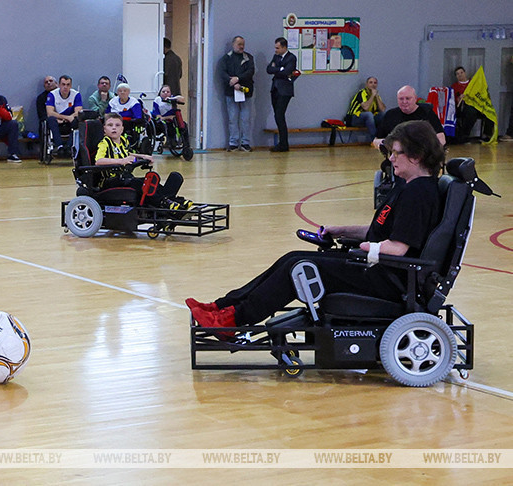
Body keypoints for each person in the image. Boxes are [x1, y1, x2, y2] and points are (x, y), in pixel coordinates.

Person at [187, 120, 443, 336]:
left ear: (416, 155)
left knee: (299, 268)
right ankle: (223, 307)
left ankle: (231, 321)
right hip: (380, 270)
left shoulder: (418, 194)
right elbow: (382, 232)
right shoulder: (408, 187)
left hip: (388, 279)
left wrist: (362, 249)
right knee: (293, 258)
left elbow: (396, 248)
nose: (391, 159)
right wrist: (340, 230)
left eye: (396, 153)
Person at [95, 113, 191, 211]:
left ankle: (172, 200)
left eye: (117, 125)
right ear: (104, 129)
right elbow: (98, 161)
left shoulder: (123, 141)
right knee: (138, 183)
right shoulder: (104, 143)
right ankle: (163, 202)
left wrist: (143, 156)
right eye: (110, 125)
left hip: (125, 178)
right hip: (111, 181)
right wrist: (122, 161)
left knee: (149, 182)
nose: (114, 128)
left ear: (122, 129)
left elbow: (127, 153)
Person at [373, 85, 445, 149]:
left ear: (415, 98)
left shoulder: (427, 113)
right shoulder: (390, 115)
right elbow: (375, 141)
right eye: (401, 99)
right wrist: (388, 143)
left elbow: (441, 138)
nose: (404, 102)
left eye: (408, 98)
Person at [221, 36, 255, 152]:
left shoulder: (248, 58)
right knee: (233, 118)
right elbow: (223, 73)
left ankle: (245, 143)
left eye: (243, 44)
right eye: (239, 44)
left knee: (245, 118)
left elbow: (250, 72)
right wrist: (232, 82)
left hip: (246, 92)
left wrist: (238, 79)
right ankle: (233, 143)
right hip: (231, 92)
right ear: (233, 44)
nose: (241, 47)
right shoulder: (226, 58)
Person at [267, 37, 297, 152]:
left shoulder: (291, 58)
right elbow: (269, 69)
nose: (276, 50)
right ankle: (283, 143)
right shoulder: (276, 57)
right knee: (277, 116)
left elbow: (287, 72)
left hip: (285, 91)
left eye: (278, 48)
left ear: (284, 47)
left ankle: (284, 144)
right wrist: (280, 69)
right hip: (275, 89)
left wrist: (278, 69)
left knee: (280, 115)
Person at [451, 66, 493, 143]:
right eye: (457, 74)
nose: (460, 75)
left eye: (461, 72)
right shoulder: (454, 86)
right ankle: (465, 136)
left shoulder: (473, 83)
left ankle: (487, 135)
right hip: (464, 107)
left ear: (465, 73)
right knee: (471, 112)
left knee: (489, 113)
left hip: (477, 106)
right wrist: (459, 98)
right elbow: (454, 101)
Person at [46, 75, 83, 157]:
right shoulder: (52, 95)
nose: (65, 87)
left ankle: (69, 146)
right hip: (58, 121)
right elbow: (50, 112)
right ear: (59, 85)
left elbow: (78, 112)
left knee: (78, 120)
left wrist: (69, 118)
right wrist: (66, 118)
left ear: (71, 86)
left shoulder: (76, 95)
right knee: (51, 119)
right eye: (63, 84)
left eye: (68, 85)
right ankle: (59, 146)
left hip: (70, 122)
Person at [106, 83, 144, 148]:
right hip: (112, 122)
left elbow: (138, 116)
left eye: (125, 91)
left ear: (128, 92)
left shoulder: (134, 102)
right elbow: (107, 113)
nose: (122, 92)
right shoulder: (113, 101)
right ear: (117, 92)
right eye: (120, 91)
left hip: (127, 123)